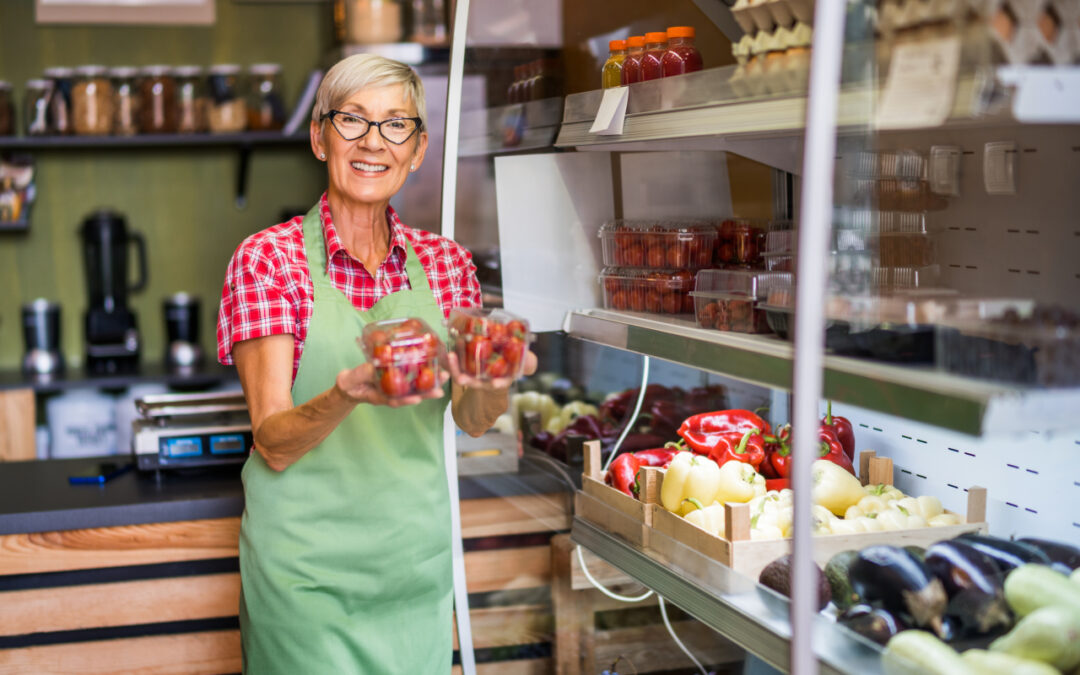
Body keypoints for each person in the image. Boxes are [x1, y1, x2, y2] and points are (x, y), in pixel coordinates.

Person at [216, 53, 536, 674]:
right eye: (352, 121)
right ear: (319, 137)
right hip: (306, 586)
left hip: (414, 576)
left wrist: (493, 376)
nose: (373, 143)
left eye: (396, 125)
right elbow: (274, 441)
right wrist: (349, 391)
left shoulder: (446, 266)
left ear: (417, 151)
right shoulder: (268, 262)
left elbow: (472, 419)